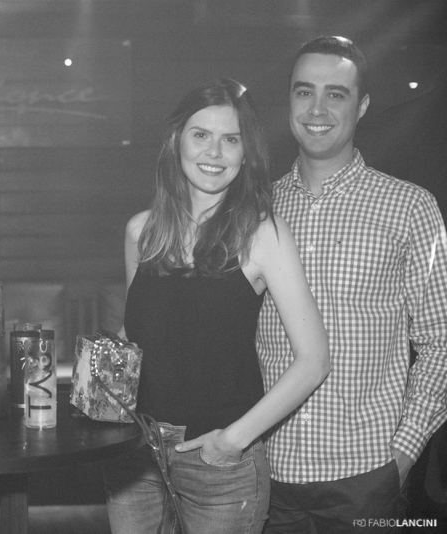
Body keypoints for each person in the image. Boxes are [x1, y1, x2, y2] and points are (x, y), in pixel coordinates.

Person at [104, 78, 330, 534]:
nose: (214, 152)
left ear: (246, 154)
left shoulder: (262, 234)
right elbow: (140, 337)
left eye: (231, 140)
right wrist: (94, 380)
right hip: (135, 455)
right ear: (176, 142)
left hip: (219, 465)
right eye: (201, 135)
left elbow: (314, 361)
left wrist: (234, 440)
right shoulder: (141, 232)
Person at [256, 36, 447, 532]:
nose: (317, 109)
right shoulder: (256, 210)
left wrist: (401, 456)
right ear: (289, 103)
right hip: (265, 475)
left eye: (336, 94)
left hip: (366, 478)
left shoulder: (409, 207)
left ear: (361, 106)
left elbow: (441, 342)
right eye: (304, 92)